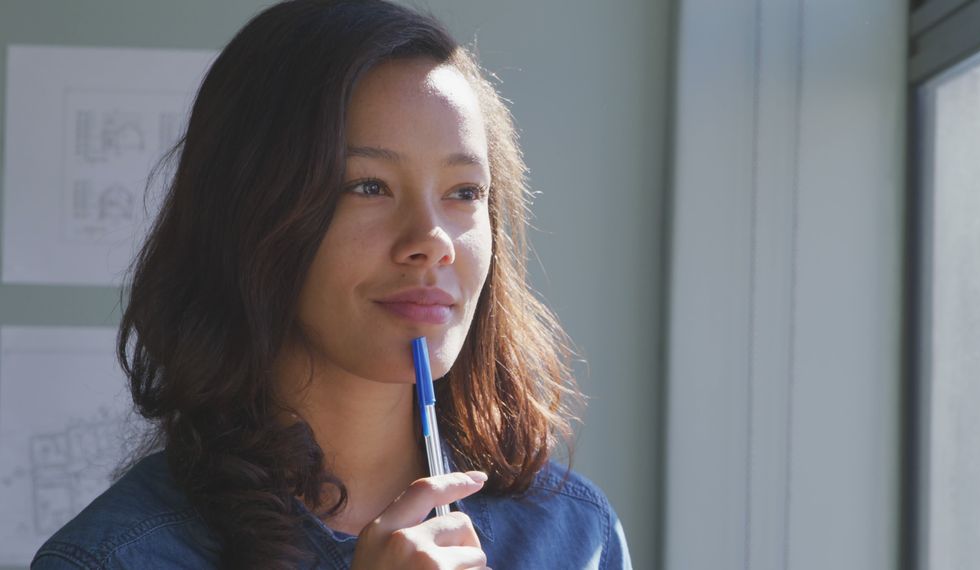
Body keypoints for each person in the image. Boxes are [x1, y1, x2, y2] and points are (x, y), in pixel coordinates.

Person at [30, 1, 632, 568]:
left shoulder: (575, 536)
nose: (432, 238)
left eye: (464, 192)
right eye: (368, 186)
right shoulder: (116, 556)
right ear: (250, 216)